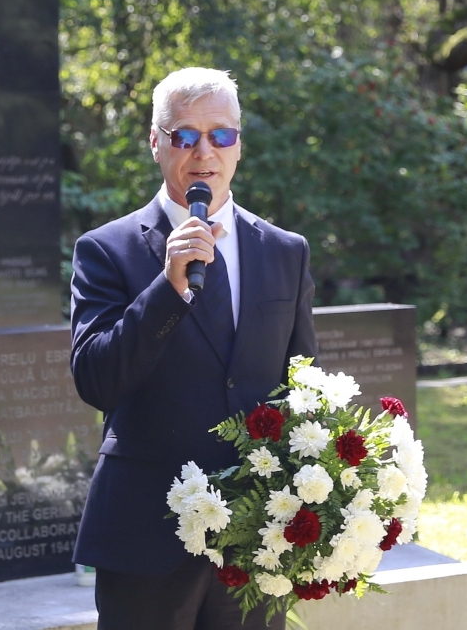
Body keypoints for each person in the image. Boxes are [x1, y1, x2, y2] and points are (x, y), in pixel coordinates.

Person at [70, 67, 317, 630]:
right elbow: (96, 380)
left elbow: (303, 385)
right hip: (145, 536)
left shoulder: (285, 251)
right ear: (156, 143)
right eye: (184, 135)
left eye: (220, 135)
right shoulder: (106, 251)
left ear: (238, 145)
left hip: (257, 538)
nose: (203, 151)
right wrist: (169, 286)